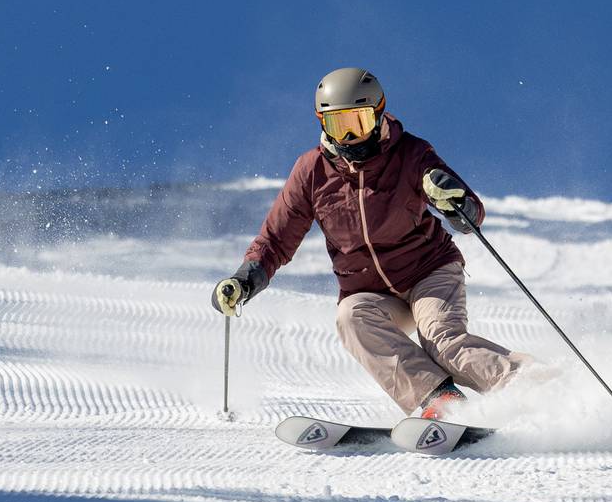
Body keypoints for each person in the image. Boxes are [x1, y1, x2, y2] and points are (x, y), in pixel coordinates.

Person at [212, 67, 527, 419]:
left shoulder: (411, 154)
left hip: (428, 273)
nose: (349, 137)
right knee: (350, 317)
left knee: (442, 341)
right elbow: (275, 239)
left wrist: (454, 203)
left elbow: (471, 213)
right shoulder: (312, 171)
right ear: (322, 124)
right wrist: (244, 278)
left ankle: (534, 387)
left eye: (358, 123)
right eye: (337, 125)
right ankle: (440, 399)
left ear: (378, 114)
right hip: (372, 293)